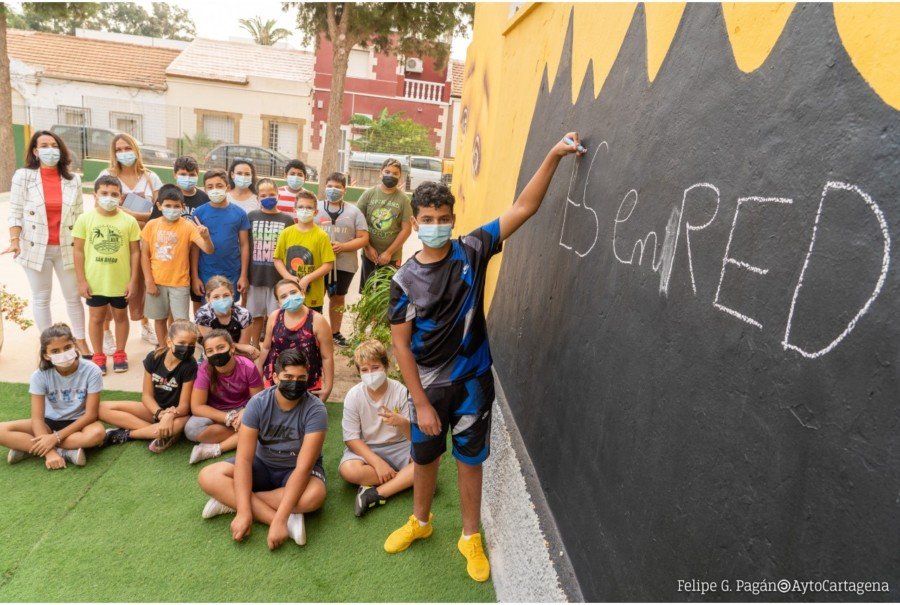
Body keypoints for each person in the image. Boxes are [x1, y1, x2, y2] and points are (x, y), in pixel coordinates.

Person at [383, 134, 585, 582]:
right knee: (426, 457)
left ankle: (469, 536)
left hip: (474, 382)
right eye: (428, 218)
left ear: (453, 220)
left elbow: (524, 208)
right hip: (429, 391)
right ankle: (420, 521)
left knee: (471, 461)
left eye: (444, 218)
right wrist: (417, 402)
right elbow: (401, 345)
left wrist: (552, 154)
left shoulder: (473, 248)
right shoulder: (403, 280)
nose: (436, 224)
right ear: (415, 223)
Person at [197, 348, 327, 549]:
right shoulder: (257, 404)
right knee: (208, 475)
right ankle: (276, 516)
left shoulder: (316, 410)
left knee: (315, 496)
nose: (295, 382)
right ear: (275, 377)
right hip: (262, 465)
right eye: (288, 376)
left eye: (301, 378)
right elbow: (244, 459)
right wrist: (246, 513)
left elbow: (303, 467)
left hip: (295, 470)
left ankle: (229, 500)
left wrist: (276, 518)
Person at [2, 130, 91, 357]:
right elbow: (15, 211)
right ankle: (49, 345)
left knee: (73, 296)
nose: (50, 149)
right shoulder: (24, 176)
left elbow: (80, 217)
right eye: (44, 145)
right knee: (42, 297)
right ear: (35, 151)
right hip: (35, 248)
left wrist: (85, 248)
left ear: (60, 150)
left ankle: (80, 340)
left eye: (54, 145)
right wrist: (14, 240)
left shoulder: (73, 180)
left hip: (67, 248)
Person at [0, 323, 105, 469]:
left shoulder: (92, 370)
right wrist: (50, 453)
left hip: (79, 423)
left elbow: (91, 415)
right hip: (48, 423)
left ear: (75, 345)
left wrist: (55, 438)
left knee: (98, 434)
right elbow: (37, 419)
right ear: (46, 355)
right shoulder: (40, 375)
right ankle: (63, 452)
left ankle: (28, 448)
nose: (63, 353)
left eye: (67, 348)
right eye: (55, 351)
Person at [98, 133, 162, 346]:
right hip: (115, 240)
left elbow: (159, 212)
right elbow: (99, 208)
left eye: (128, 148)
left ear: (136, 150)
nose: (124, 153)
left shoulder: (150, 177)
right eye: (119, 150)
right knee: (111, 284)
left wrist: (127, 213)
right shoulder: (107, 175)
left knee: (141, 283)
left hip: (143, 239)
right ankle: (107, 332)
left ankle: (145, 325)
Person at [73, 175, 141, 375]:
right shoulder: (85, 219)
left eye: (114, 194)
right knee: (96, 318)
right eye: (104, 193)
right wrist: (81, 280)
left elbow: (135, 252)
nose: (109, 197)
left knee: (121, 316)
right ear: (95, 195)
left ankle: (120, 352)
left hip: (120, 282)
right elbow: (78, 251)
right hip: (95, 282)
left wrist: (133, 280)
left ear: (121, 197)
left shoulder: (129, 221)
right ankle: (98, 355)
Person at [100, 320, 199, 453]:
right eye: (181, 343)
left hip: (177, 415)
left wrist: (169, 415)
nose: (186, 347)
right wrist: (159, 414)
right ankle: (160, 432)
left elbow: (184, 406)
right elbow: (146, 396)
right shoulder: (154, 357)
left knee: (179, 425)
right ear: (169, 342)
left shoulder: (190, 365)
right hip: (154, 410)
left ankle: (129, 434)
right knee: (100, 408)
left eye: (191, 344)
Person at [339, 340, 412, 517]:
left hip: (399, 445)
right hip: (368, 449)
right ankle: (405, 480)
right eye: (364, 370)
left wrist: (402, 422)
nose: (370, 373)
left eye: (375, 367)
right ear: (359, 372)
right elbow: (351, 439)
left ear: (386, 366)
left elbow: (413, 437)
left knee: (433, 459)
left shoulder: (400, 391)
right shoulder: (354, 396)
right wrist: (378, 463)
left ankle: (375, 493)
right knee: (348, 470)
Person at [142, 184, 214, 346]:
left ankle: (179, 349)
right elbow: (144, 256)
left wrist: (206, 237)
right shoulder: (151, 225)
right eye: (167, 206)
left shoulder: (188, 226)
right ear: (159, 206)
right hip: (156, 283)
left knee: (180, 322)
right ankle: (162, 349)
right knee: (160, 319)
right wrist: (149, 281)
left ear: (182, 207)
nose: (172, 209)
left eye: (176, 206)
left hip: (180, 284)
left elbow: (208, 250)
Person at [186, 329, 264, 464]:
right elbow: (197, 406)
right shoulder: (204, 369)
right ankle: (246, 434)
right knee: (191, 429)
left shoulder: (248, 367)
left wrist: (245, 411)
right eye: (210, 351)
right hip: (216, 413)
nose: (216, 353)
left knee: (263, 422)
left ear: (232, 348)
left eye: (221, 347)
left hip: (244, 409)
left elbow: (258, 400)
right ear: (205, 354)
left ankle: (216, 449)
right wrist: (228, 418)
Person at [316, 172, 369, 347]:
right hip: (317, 263)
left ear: (345, 190)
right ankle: (315, 331)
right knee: (316, 296)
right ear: (325, 187)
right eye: (330, 186)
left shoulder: (354, 212)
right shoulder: (315, 208)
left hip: (345, 263)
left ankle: (335, 333)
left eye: (337, 187)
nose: (333, 190)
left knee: (338, 297)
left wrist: (343, 246)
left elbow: (363, 238)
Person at [259, 279, 333, 403]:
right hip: (276, 382)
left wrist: (328, 387)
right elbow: (266, 348)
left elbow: (327, 357)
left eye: (293, 292)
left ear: (302, 293)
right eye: (284, 296)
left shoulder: (318, 320)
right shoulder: (274, 317)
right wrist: (258, 376)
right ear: (279, 302)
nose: (290, 297)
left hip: (307, 383)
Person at [246, 178, 294, 347]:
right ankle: (254, 345)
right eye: (263, 195)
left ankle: (271, 345)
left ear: (278, 195)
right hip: (255, 276)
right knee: (256, 315)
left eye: (272, 194)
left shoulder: (287, 220)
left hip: (277, 278)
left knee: (276, 316)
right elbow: (245, 246)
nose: (268, 198)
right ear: (257, 197)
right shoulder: (251, 216)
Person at [191, 169, 250, 304]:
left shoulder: (240, 213)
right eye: (210, 187)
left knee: (228, 310)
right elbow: (195, 247)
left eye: (219, 186)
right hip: (206, 272)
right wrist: (195, 277)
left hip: (232, 272)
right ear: (205, 189)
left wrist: (243, 275)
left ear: (227, 188)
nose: (215, 190)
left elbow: (244, 245)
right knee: (209, 312)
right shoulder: (199, 213)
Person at [273, 190, 335, 314]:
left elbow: (328, 264)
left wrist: (307, 278)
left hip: (313, 296)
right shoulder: (286, 233)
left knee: (311, 328)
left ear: (315, 212)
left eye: (309, 207)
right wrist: (288, 277)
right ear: (294, 210)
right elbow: (277, 259)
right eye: (301, 207)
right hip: (289, 293)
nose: (304, 210)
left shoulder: (322, 236)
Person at [356, 158, 412, 292]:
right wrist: (367, 248)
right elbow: (358, 223)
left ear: (400, 176)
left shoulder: (403, 200)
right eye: (387, 171)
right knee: (367, 292)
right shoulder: (368, 194)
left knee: (384, 296)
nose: (390, 176)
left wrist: (388, 253)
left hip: (392, 257)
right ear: (380, 173)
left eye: (395, 173)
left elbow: (406, 229)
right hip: (369, 254)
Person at [194, 275, 258, 360]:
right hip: (212, 353)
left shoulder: (243, 315)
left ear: (232, 296)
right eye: (216, 297)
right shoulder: (203, 315)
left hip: (238, 355)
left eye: (226, 295)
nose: (222, 300)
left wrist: (244, 348)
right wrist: (243, 347)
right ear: (208, 299)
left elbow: (243, 349)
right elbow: (212, 346)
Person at [149, 156, 210, 220]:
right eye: (183, 174)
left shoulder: (205, 199)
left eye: (192, 175)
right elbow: (154, 223)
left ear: (198, 175)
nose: (187, 178)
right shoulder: (166, 195)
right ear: (174, 175)